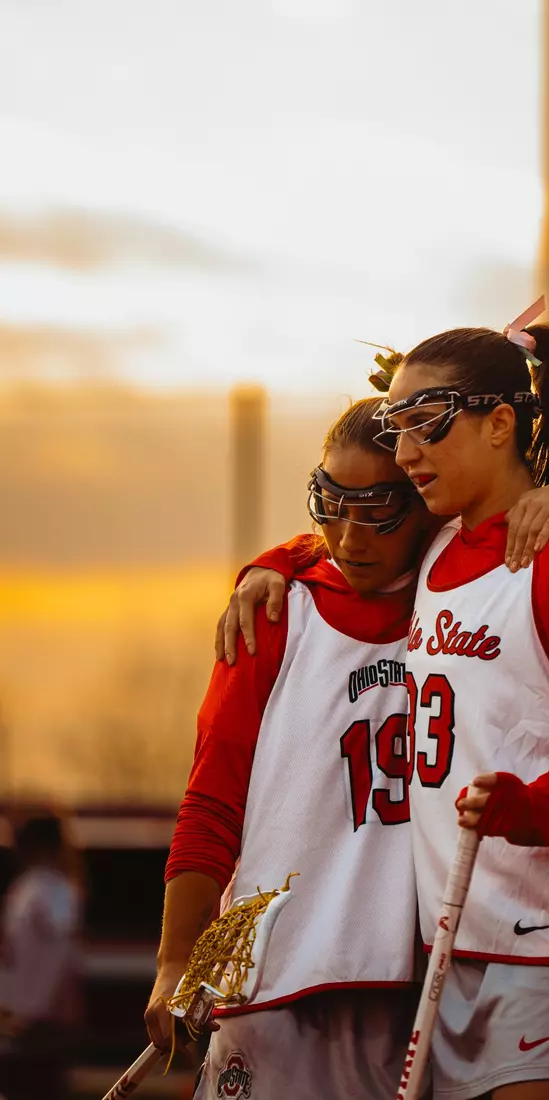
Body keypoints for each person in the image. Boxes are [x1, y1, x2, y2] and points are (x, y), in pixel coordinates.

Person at [223, 305, 549, 1100]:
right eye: (397, 427)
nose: (405, 452)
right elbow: (350, 542)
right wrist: (271, 563)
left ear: (500, 424)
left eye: (425, 425)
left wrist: (531, 808)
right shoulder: (435, 548)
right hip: (453, 939)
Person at [146, 397, 438, 1100]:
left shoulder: (466, 598)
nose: (348, 536)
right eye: (331, 506)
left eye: (376, 511)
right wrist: (175, 958)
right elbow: (213, 799)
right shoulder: (275, 613)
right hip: (273, 975)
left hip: (417, 986)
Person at [0, 809, 82, 1100]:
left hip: (21, 1017)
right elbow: (63, 951)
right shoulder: (53, 889)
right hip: (39, 1021)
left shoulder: (24, 889)